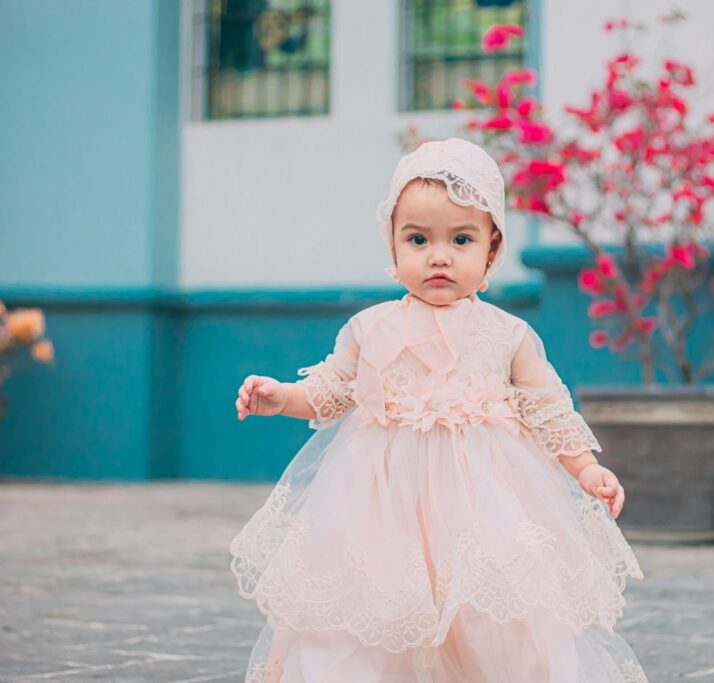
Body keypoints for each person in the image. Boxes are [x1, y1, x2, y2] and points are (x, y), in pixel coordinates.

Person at [230, 137, 647, 682]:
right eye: (419, 239)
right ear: (394, 247)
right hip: (381, 504)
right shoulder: (370, 327)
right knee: (367, 612)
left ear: (491, 251)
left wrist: (588, 469)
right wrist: (281, 396)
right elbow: (333, 392)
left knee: (498, 616)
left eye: (462, 239)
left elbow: (549, 412)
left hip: (483, 504)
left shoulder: (508, 335)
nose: (439, 255)